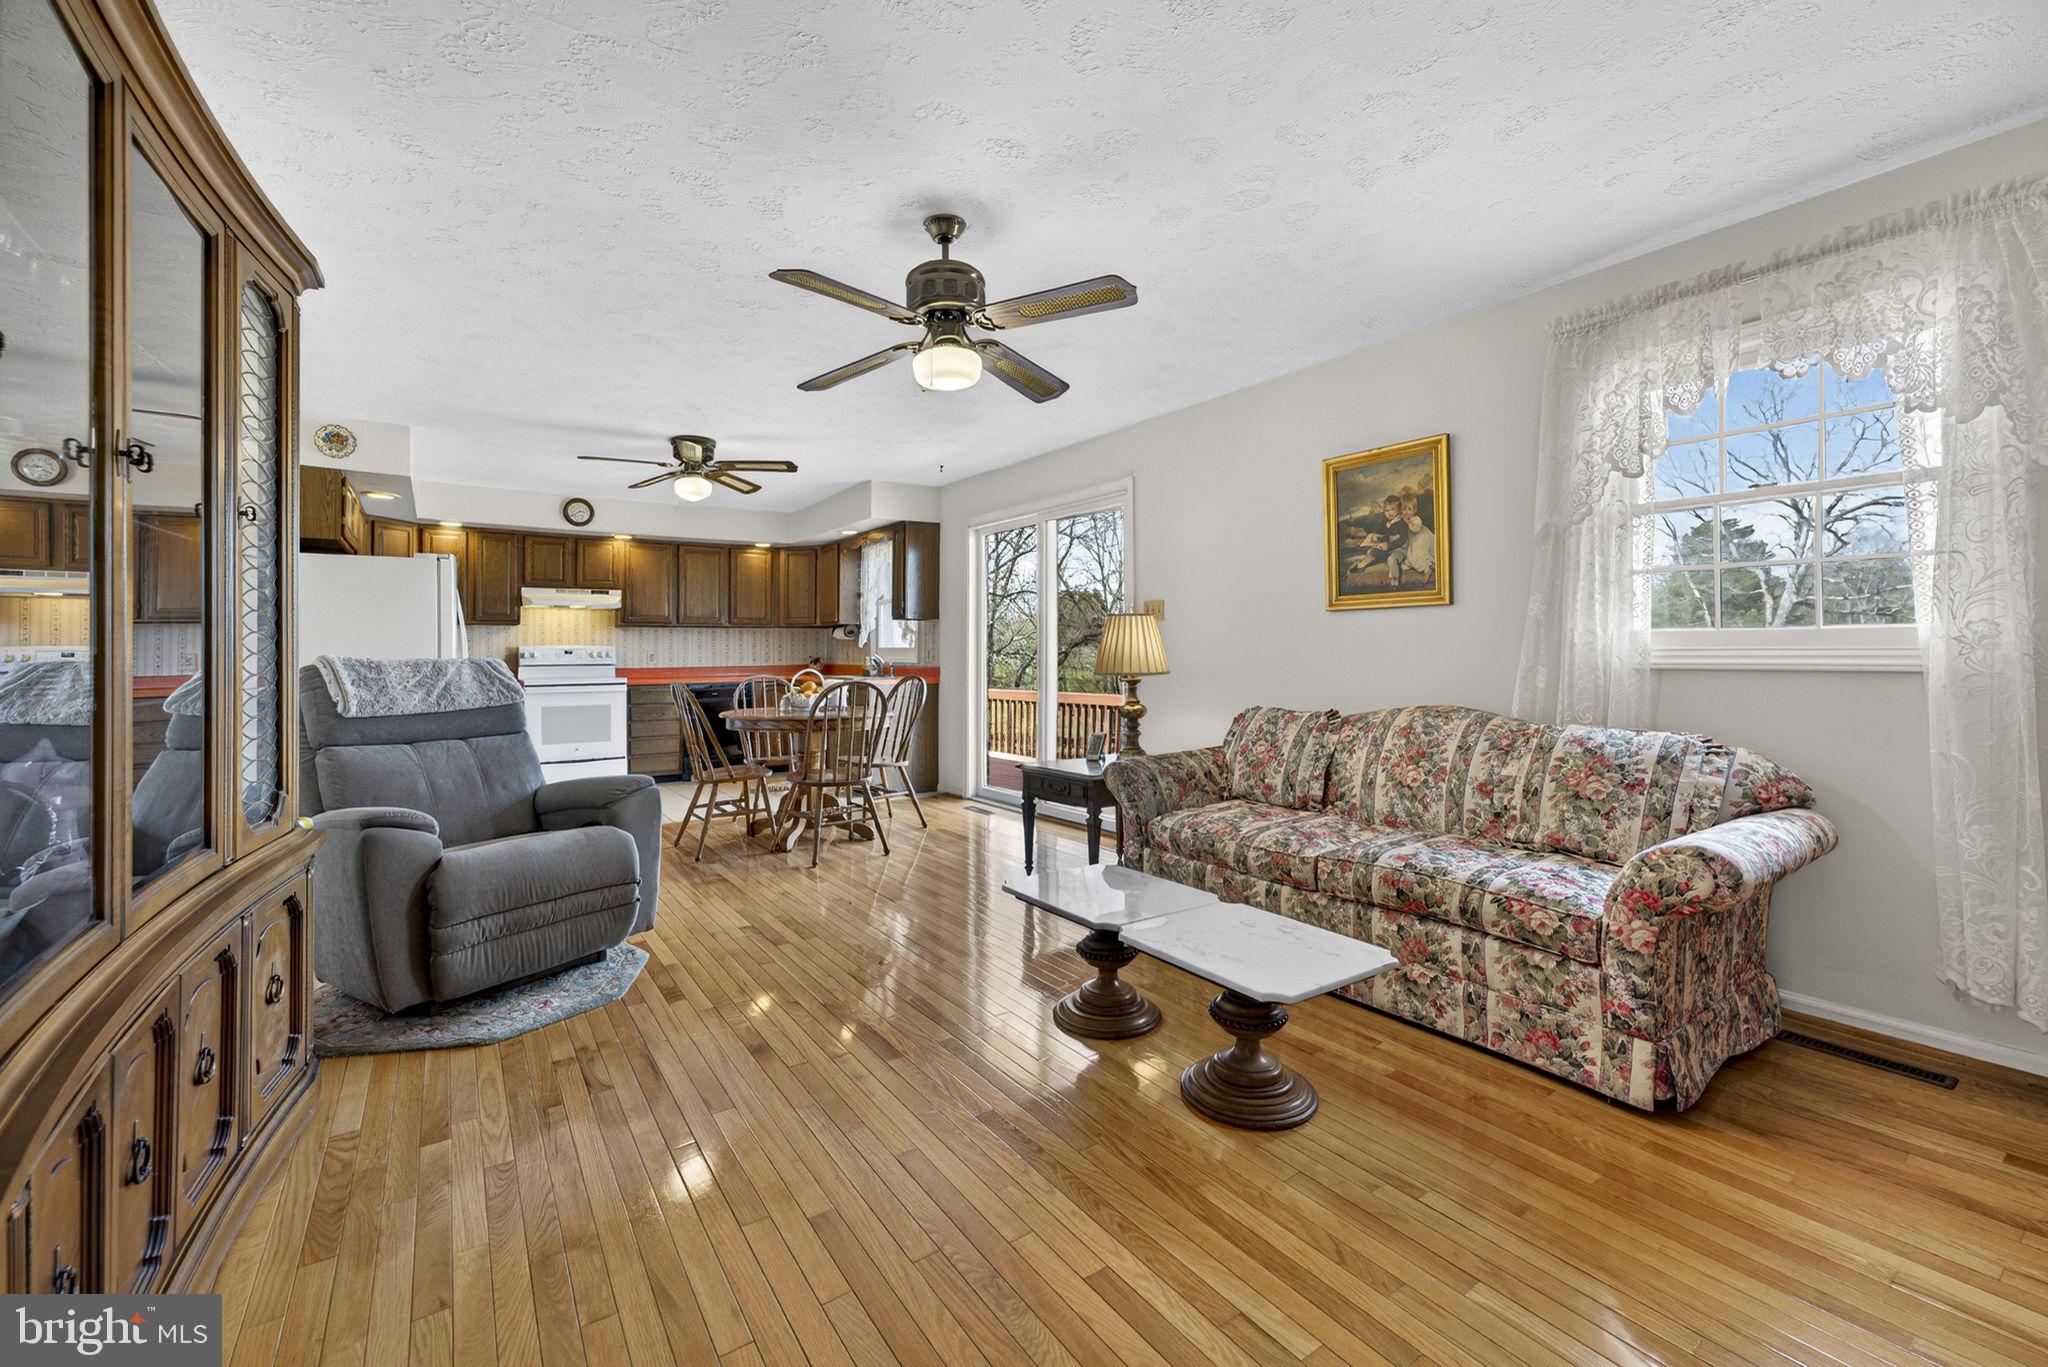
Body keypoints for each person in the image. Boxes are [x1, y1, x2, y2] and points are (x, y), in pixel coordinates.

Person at [1388, 511, 1436, 585]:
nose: (1406, 511)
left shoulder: (1415, 519)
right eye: (1404, 509)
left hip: (1420, 540)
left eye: (1409, 509)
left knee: (1416, 557)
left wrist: (1407, 522)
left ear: (1415, 509)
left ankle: (1426, 571)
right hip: (1411, 542)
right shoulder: (1401, 518)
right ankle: (1429, 566)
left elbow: (1415, 529)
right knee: (1409, 559)